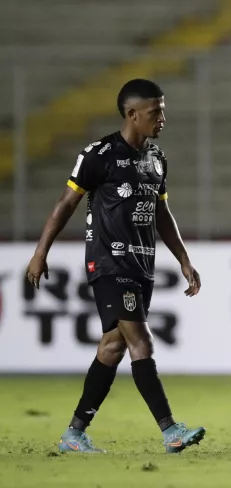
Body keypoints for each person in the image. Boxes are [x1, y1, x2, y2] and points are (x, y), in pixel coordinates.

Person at [25, 79, 206, 454]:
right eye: (155, 112)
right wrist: (41, 251)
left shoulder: (157, 158)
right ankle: (170, 430)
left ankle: (74, 434)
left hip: (143, 264)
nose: (162, 118)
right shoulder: (99, 154)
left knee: (112, 347)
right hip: (109, 262)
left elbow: (160, 212)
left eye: (163, 109)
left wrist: (184, 260)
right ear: (132, 114)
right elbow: (65, 203)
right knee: (141, 341)